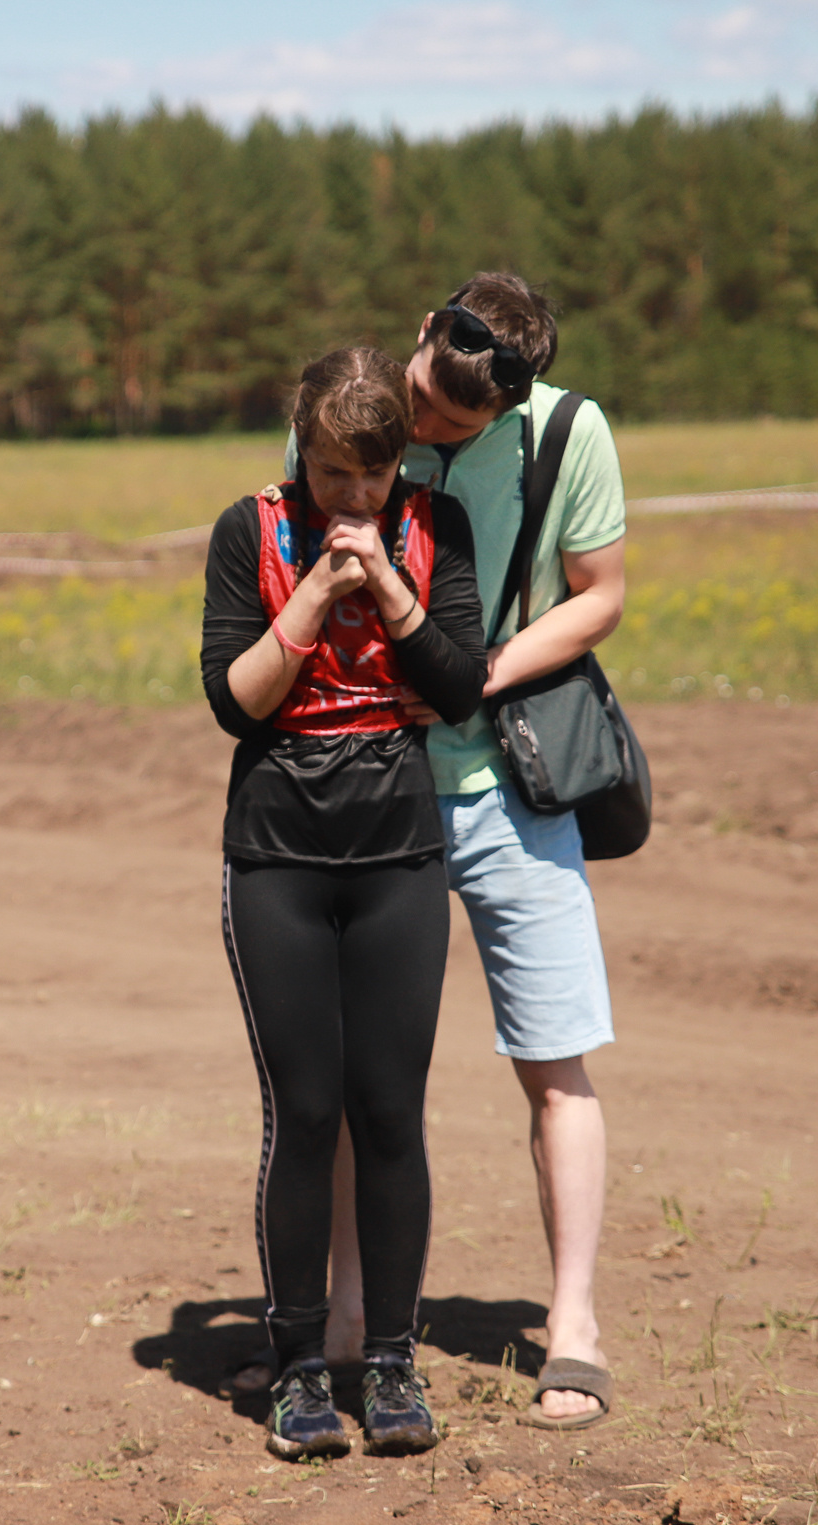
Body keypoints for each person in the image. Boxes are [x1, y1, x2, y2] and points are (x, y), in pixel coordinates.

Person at [252, 274, 628, 1431]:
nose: (422, 437)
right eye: (425, 406)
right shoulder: (363, 415)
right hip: (372, 790)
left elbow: (599, 596)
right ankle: (354, 1313)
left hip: (511, 781)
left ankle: (572, 1324)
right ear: (422, 333)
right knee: (369, 1081)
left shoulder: (570, 433)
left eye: (455, 434)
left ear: (506, 416)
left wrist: (468, 682)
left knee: (555, 1055)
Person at [202, 346, 486, 1460]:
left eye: (371, 479)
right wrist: (320, 588)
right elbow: (234, 703)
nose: (354, 501)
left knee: (389, 1115)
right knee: (306, 1115)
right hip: (276, 847)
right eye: (332, 477)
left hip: (398, 849)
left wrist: (394, 591)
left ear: (398, 463)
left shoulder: (434, 530)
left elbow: (460, 687)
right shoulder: (249, 530)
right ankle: (298, 1370)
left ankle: (396, 1366)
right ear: (302, 455)